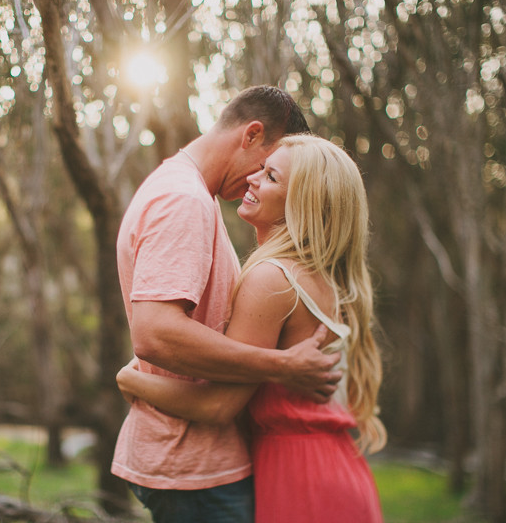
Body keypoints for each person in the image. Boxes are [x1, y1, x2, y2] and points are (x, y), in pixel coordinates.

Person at [117, 134, 387, 523]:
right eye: (261, 168)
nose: (253, 179)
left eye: (271, 176)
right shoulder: (329, 281)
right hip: (340, 471)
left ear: (302, 203)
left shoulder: (272, 280)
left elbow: (218, 405)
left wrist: (131, 380)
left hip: (301, 479)